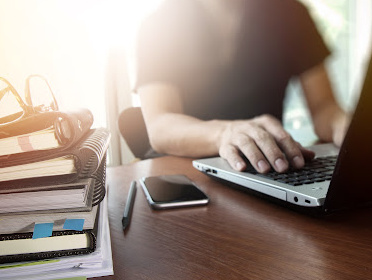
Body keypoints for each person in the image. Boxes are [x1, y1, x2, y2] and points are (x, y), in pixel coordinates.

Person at [134, 0, 350, 173]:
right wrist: (225, 133)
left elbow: (324, 106)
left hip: (265, 170)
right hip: (185, 173)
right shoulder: (159, 24)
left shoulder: (292, 13)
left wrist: (347, 127)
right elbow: (160, 126)